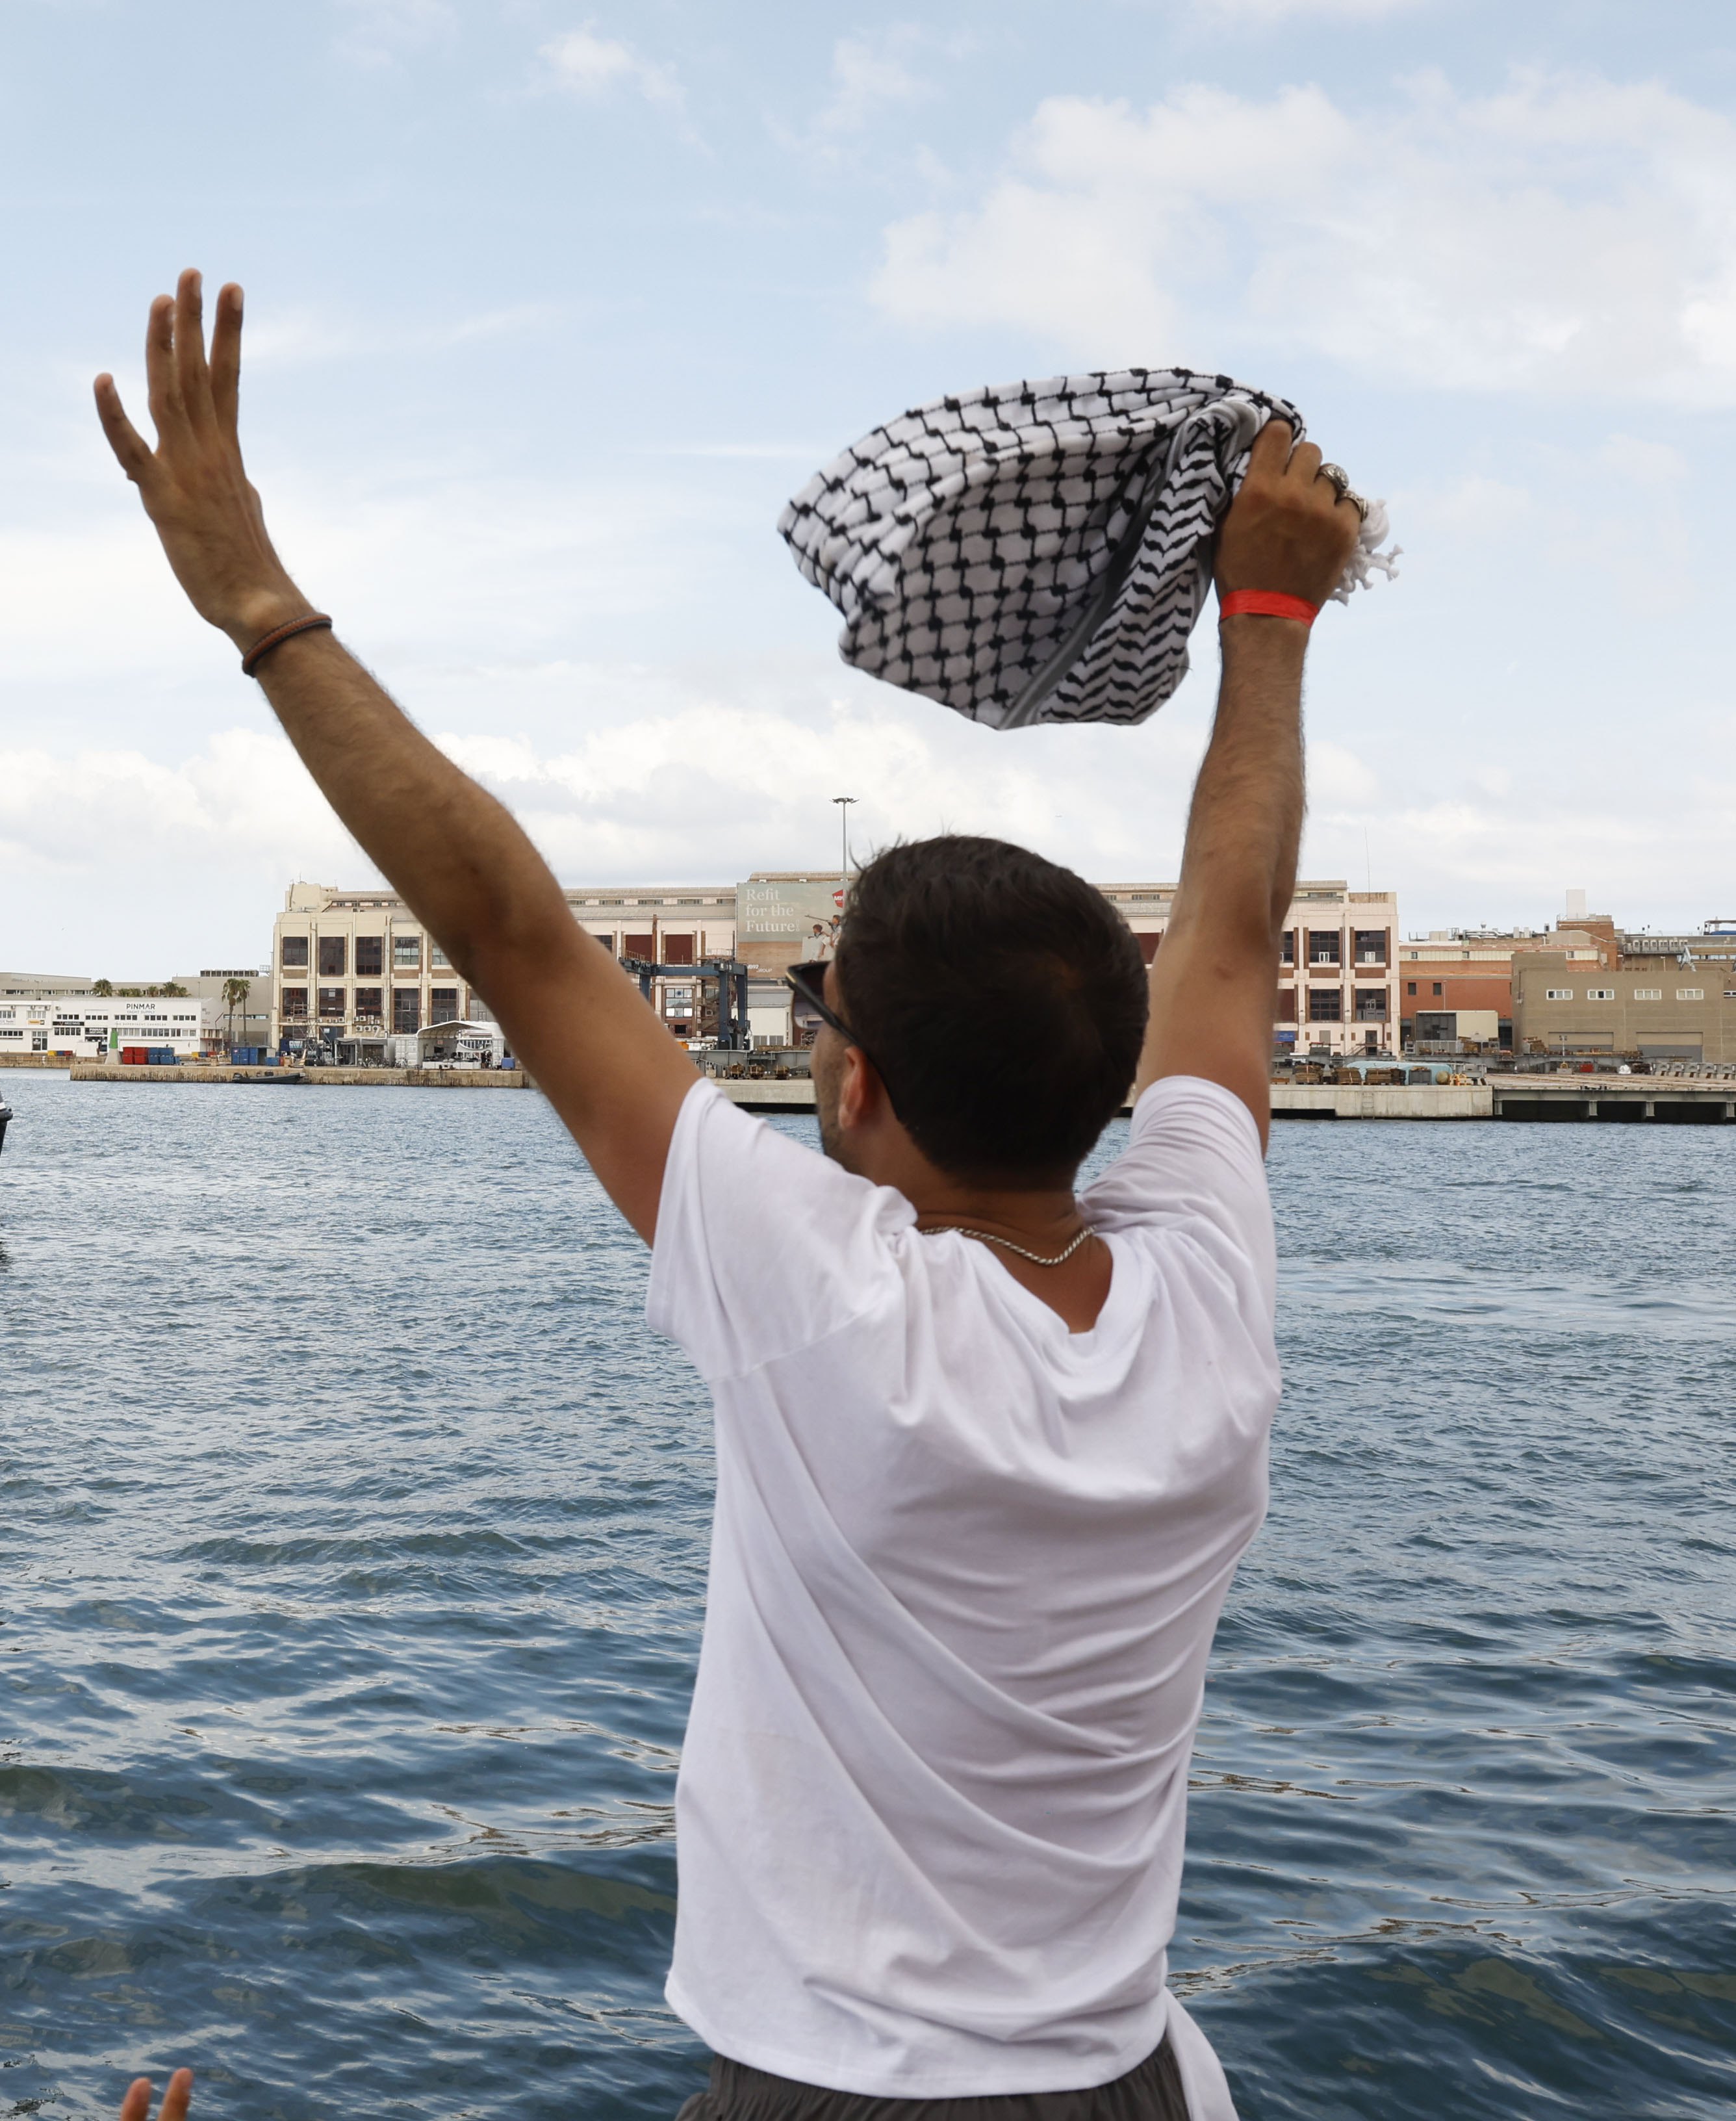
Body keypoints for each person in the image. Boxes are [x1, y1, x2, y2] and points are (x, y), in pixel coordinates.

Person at [96, 270, 1368, 2120]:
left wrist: (255, 603)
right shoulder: (1206, 1303)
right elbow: (1242, 930)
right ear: (1121, 1089)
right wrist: (1269, 612)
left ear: (853, 1085)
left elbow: (511, 930)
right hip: (1125, 2082)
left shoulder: (842, 1307)